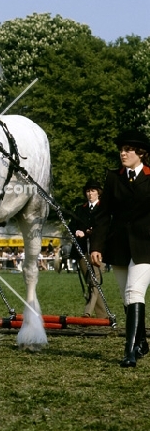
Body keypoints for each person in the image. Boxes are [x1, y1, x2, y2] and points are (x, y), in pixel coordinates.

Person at [90, 130, 150, 367]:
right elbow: (103, 216)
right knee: (127, 299)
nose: (122, 153)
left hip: (146, 245)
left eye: (128, 150)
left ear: (141, 153)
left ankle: (130, 352)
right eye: (121, 150)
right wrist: (97, 246)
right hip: (119, 247)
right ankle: (142, 341)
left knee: (134, 293)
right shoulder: (113, 178)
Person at [69, 179, 107, 318]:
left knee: (95, 280)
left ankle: (87, 312)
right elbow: (72, 225)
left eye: (93, 191)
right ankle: (103, 316)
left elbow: (105, 227)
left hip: (98, 250)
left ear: (98, 193)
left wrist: (91, 232)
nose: (90, 194)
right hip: (82, 250)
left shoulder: (104, 208)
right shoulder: (80, 209)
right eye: (88, 191)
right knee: (90, 282)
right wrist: (77, 231)